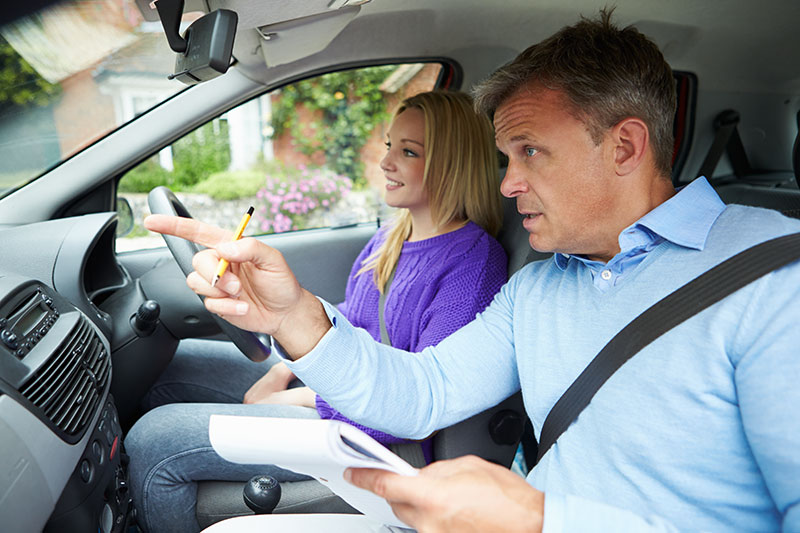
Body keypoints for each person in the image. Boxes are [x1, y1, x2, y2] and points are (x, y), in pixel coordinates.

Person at [145, 10, 800, 533]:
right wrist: (296, 318)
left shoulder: (776, 279)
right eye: (503, 156)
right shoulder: (542, 286)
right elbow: (423, 388)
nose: (508, 184)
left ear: (625, 146)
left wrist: (544, 520)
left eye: (530, 152)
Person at [125, 90, 508, 532]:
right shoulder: (392, 236)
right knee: (172, 367)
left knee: (155, 441)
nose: (386, 162)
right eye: (389, 145)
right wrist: (283, 367)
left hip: (374, 437)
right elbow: (351, 317)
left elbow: (417, 402)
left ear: (452, 163)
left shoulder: (473, 264)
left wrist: (294, 396)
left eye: (409, 152)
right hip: (337, 389)